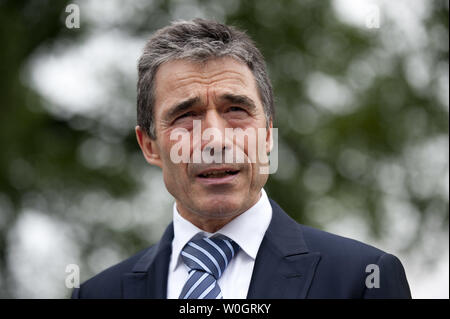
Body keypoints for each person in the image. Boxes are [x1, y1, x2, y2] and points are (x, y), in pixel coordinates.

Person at [71, 19, 411, 299]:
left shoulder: (363, 280)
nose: (216, 139)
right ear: (149, 146)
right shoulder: (96, 295)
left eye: (236, 109)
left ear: (267, 134)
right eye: (186, 116)